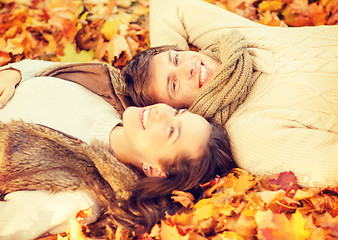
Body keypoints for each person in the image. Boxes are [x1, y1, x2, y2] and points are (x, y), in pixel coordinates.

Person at [0, 59, 236, 239]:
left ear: (155, 169)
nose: (163, 112)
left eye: (172, 131)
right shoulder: (110, 89)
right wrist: (13, 73)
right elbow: (44, 68)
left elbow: (9, 225)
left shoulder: (80, 193)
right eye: (178, 112)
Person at [122, 0, 338, 188]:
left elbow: (169, 5)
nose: (187, 68)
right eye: (174, 85)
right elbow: (329, 167)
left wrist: (166, 58)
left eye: (177, 58)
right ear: (185, 110)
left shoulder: (228, 44)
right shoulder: (249, 136)